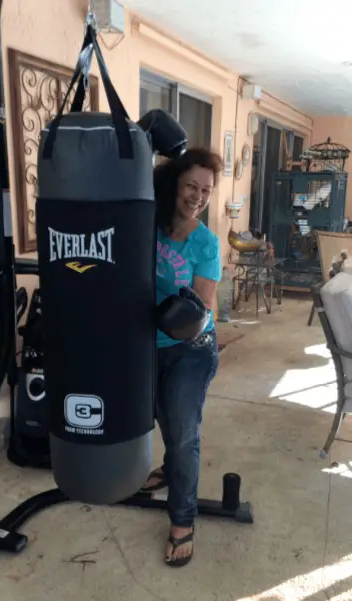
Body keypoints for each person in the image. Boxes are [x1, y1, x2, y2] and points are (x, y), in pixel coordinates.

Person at [143, 147, 223, 567]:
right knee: (163, 422)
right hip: (148, 345)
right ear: (175, 183)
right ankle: (170, 470)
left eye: (206, 190)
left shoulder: (204, 242)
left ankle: (182, 521)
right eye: (191, 185)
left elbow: (201, 307)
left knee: (184, 435)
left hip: (190, 348)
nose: (198, 196)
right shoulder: (149, 226)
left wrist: (156, 311)